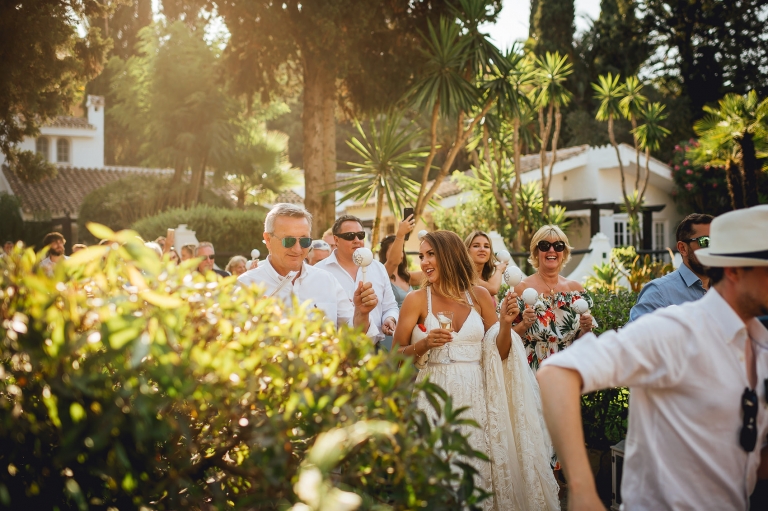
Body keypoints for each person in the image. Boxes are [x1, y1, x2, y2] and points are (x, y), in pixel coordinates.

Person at [537, 205, 768, 511]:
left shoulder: (761, 346)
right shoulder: (676, 329)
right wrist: (582, 491)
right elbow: (556, 373)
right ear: (734, 270)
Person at [392, 230, 560, 511]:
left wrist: (505, 324)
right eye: (421, 256)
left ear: (450, 255)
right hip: (434, 397)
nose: (424, 262)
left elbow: (500, 354)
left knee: (478, 471)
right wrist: (423, 345)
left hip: (478, 398)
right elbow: (394, 357)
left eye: (431, 254)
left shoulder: (479, 295)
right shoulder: (417, 300)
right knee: (440, 475)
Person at [237, 203, 377, 332]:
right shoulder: (245, 285)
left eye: (304, 241)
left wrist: (361, 314)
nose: (297, 249)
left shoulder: (326, 280)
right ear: (268, 239)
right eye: (288, 241)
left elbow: (354, 334)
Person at [511, 225, 596, 371]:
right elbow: (505, 339)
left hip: (567, 367)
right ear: (536, 251)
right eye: (544, 245)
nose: (551, 250)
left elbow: (582, 341)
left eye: (558, 246)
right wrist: (524, 324)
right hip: (530, 370)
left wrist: (586, 329)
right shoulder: (521, 289)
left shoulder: (576, 290)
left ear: (564, 252)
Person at [315, 215, 399, 339]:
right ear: (336, 240)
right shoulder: (319, 271)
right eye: (350, 236)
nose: (357, 240)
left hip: (374, 347)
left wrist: (389, 318)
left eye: (360, 235)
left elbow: (390, 306)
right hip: (336, 347)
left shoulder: (378, 268)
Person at [629, 213, 713, 321]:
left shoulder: (726, 289)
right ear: (682, 248)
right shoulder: (658, 292)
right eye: (706, 241)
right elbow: (638, 331)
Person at [465, 230, 507, 296]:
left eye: (486, 246)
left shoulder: (487, 278)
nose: (482, 249)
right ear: (467, 250)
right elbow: (493, 289)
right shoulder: (465, 275)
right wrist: (499, 269)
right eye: (476, 246)